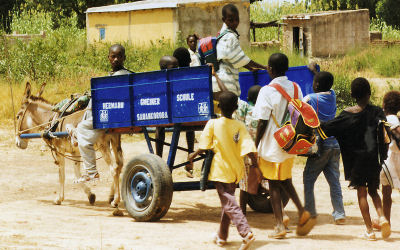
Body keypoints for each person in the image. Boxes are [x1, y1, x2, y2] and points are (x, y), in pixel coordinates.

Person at [320, 77, 391, 240]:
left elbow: (328, 127)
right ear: (369, 93)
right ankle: (382, 217)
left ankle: (369, 231)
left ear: (352, 94)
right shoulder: (377, 112)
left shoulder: (346, 115)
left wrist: (314, 122)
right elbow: (385, 133)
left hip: (357, 161)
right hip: (374, 158)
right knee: (374, 191)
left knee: (362, 194)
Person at [254, 53, 315, 239]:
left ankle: (279, 225)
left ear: (269, 69)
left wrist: (255, 144)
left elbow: (262, 122)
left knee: (273, 184)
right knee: (285, 180)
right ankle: (302, 211)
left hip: (273, 143)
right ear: (287, 68)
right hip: (291, 144)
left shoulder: (266, 91)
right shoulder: (296, 88)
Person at [188, 91, 258, 250]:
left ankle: (246, 232)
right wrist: (255, 165)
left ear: (218, 106)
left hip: (220, 171)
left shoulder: (212, 123)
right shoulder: (240, 126)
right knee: (228, 202)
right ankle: (222, 236)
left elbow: (204, 146)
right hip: (235, 171)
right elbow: (248, 148)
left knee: (228, 202)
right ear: (236, 108)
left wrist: (193, 154)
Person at [75, 44, 132, 182]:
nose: (116, 59)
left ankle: (91, 171)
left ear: (124, 57)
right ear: (109, 58)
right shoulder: (126, 74)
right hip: (114, 113)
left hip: (112, 116)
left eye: (119, 56)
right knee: (86, 119)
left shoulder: (117, 77)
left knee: (82, 128)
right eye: (113, 56)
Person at [302, 69, 346, 225]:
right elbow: (328, 85)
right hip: (334, 143)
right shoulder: (332, 95)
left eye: (314, 81)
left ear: (317, 84)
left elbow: (297, 109)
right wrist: (316, 72)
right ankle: (339, 213)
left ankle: (310, 211)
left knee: (308, 178)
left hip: (320, 144)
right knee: (334, 180)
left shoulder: (310, 98)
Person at [213, 3, 267, 98]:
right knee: (229, 110)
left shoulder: (221, 34)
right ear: (223, 20)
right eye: (230, 20)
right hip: (225, 82)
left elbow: (235, 58)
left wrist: (249, 68)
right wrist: (264, 67)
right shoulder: (229, 37)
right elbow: (242, 59)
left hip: (217, 82)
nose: (234, 23)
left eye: (236, 20)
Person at [372, 91, 400, 230]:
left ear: (384, 104)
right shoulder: (396, 118)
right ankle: (385, 221)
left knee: (386, 192)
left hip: (390, 159)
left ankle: (386, 221)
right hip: (397, 158)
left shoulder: (390, 119)